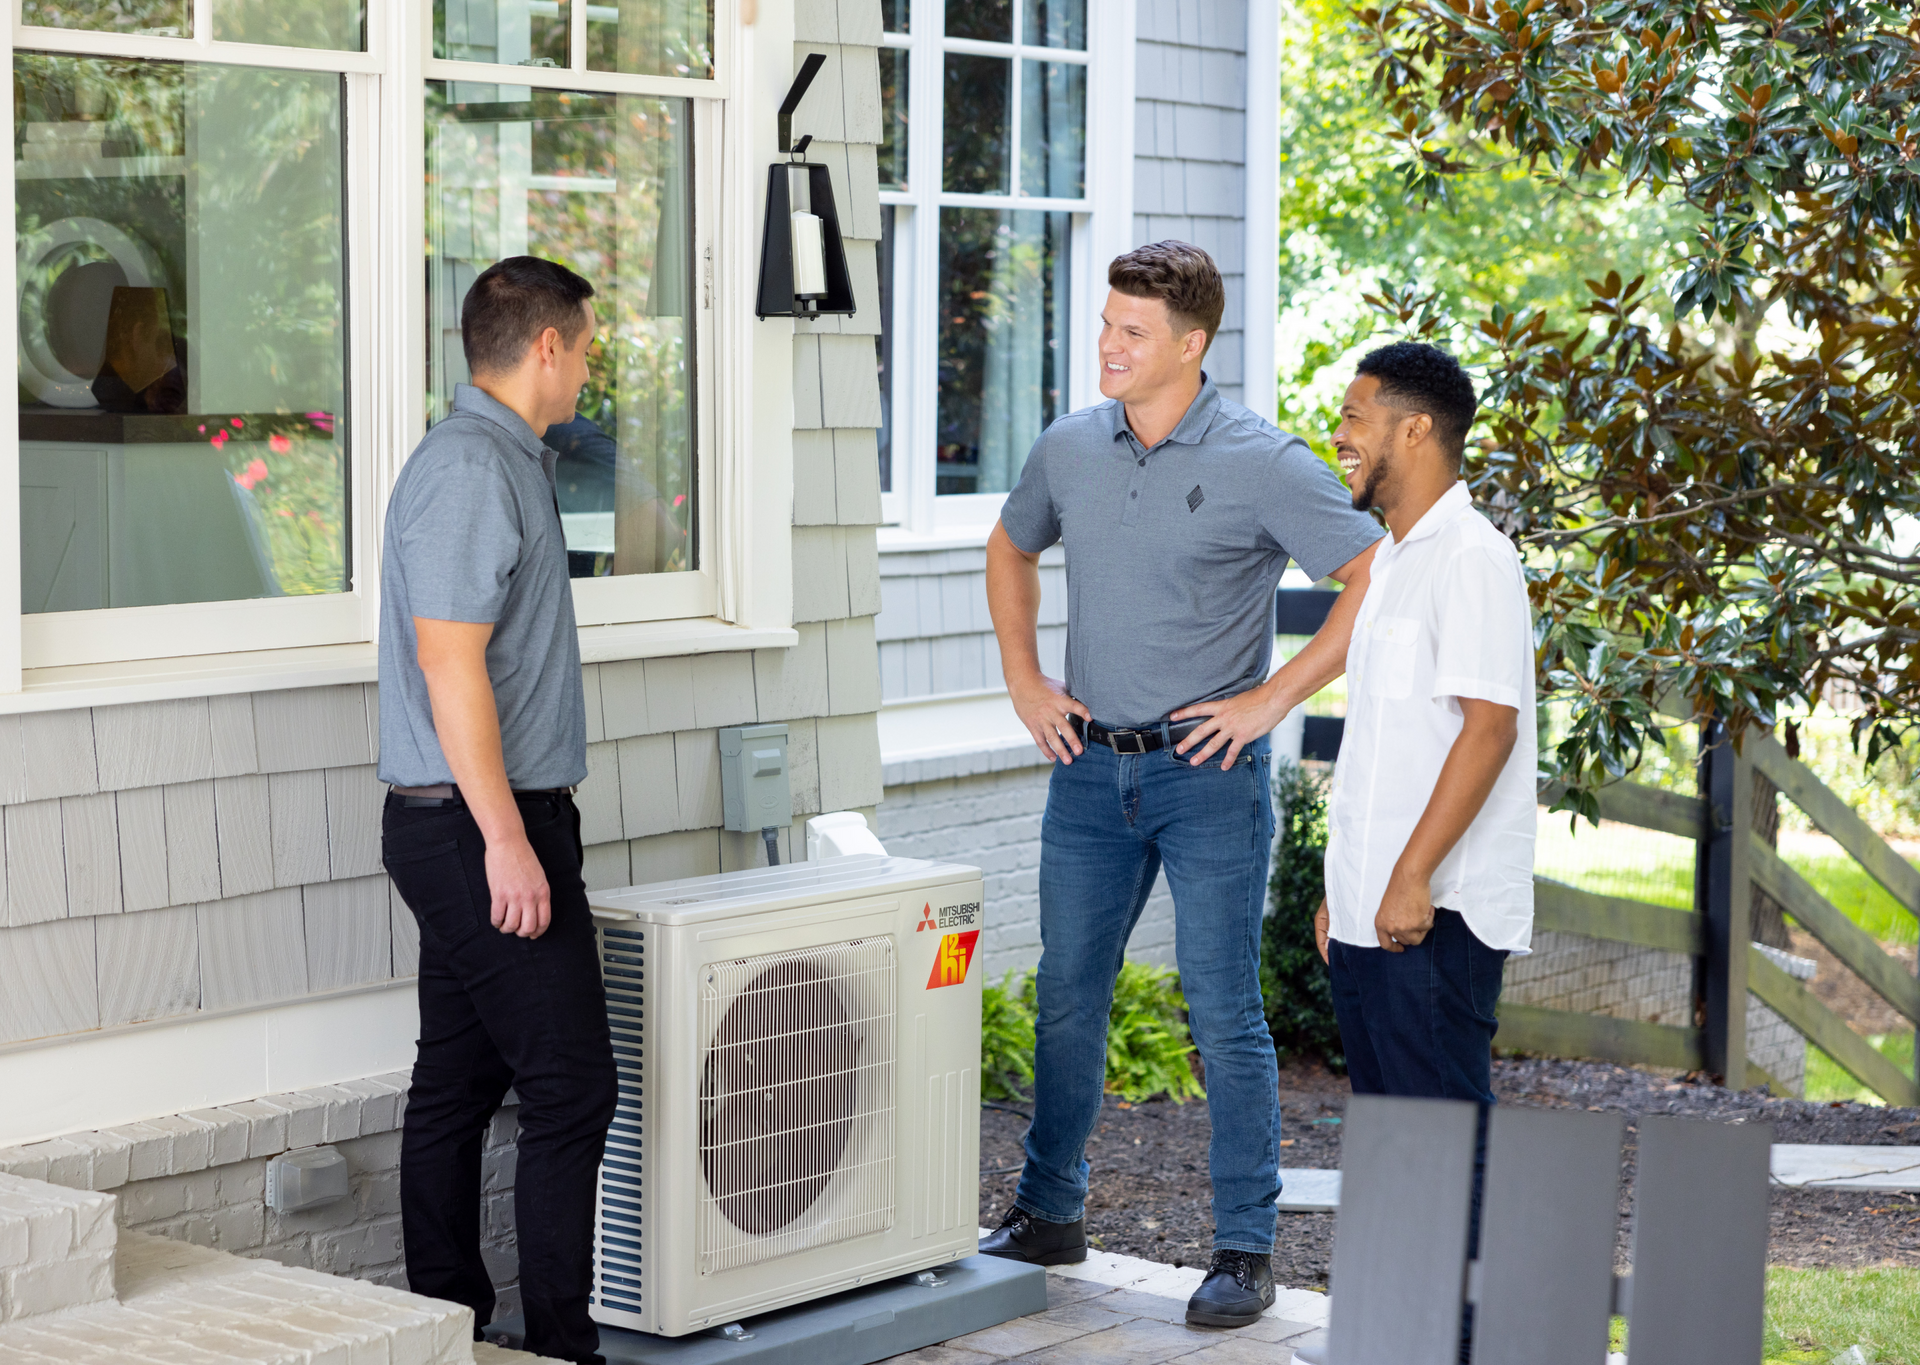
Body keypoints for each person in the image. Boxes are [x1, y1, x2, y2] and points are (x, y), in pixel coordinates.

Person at [981, 241, 1384, 1328]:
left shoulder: (1264, 460)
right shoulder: (1071, 445)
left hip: (1207, 779)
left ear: (1192, 345)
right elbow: (1009, 548)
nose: (1107, 346)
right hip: (1085, 774)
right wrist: (1026, 680)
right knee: (1068, 999)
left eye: (1132, 333)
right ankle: (1046, 1211)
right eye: (1106, 325)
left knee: (1223, 1009)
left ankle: (1245, 1249)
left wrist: (1269, 702)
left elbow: (1372, 576)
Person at [378, 256, 617, 1365]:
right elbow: (449, 665)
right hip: (479, 826)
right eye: (588, 345)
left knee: (461, 1080)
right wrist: (508, 844)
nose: (590, 368)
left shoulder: (507, 460)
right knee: (572, 1087)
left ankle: (451, 1328)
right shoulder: (471, 469)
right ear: (549, 346)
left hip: (483, 820)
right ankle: (561, 1345)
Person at [1314, 341, 1536, 1104]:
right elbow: (1385, 746)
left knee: (1444, 1148)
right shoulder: (1393, 565)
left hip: (1436, 917)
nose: (1339, 435)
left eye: (1353, 417)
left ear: (1413, 430)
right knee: (1393, 1151)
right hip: (1369, 912)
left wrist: (1410, 877)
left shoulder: (1472, 557)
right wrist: (1343, 888)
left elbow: (1489, 731)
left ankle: (1474, 1236)